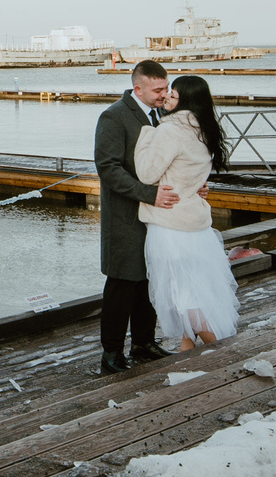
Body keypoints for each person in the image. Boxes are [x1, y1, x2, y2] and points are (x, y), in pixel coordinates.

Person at [134, 73, 241, 351]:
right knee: (193, 291)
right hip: (196, 226)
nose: (167, 95)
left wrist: (147, 134)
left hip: (171, 226)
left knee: (184, 297)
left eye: (174, 93)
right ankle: (187, 356)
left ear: (186, 101)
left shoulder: (169, 130)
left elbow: (146, 173)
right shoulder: (204, 130)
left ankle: (223, 353)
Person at [93, 58, 181, 374]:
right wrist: (149, 194)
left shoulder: (159, 116)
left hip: (155, 218)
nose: (164, 94)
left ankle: (143, 343)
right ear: (138, 88)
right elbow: (108, 168)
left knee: (148, 281)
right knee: (121, 286)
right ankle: (112, 354)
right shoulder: (114, 117)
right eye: (158, 89)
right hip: (125, 219)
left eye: (166, 87)